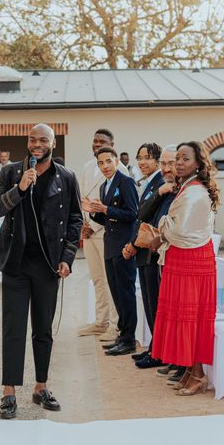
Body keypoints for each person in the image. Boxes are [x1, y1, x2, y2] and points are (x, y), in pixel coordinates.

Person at [0, 123, 82, 419]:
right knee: (13, 329)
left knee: (43, 329)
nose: (36, 144)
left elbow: (75, 219)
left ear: (53, 143)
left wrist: (67, 256)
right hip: (15, 263)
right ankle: (8, 392)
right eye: (32, 140)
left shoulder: (65, 177)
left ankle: (41, 387)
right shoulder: (11, 172)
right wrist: (20, 189)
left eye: (43, 140)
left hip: (47, 265)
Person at [149, 141, 220, 396]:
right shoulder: (186, 187)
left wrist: (163, 221)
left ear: (198, 164)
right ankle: (190, 370)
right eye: (177, 158)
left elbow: (178, 230)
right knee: (181, 316)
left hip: (192, 260)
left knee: (192, 319)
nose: (179, 162)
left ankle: (199, 375)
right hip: (183, 258)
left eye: (185, 158)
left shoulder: (194, 192)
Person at [124, 144, 178, 370]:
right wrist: (159, 193)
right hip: (149, 249)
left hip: (161, 253)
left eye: (170, 163)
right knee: (150, 302)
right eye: (164, 163)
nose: (166, 168)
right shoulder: (161, 186)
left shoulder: (177, 188)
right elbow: (143, 213)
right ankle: (156, 348)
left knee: (158, 304)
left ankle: (160, 351)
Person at [83, 147, 139, 357]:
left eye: (108, 161)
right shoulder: (105, 185)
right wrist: (94, 212)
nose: (105, 166)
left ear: (117, 161)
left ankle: (128, 339)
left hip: (124, 246)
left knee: (125, 293)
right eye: (100, 163)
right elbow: (106, 219)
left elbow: (133, 214)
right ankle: (121, 336)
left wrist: (106, 209)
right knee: (116, 293)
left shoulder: (125, 182)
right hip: (110, 244)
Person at [78, 129, 129, 343]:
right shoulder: (88, 167)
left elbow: (118, 205)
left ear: (112, 144)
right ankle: (101, 321)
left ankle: (116, 326)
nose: (97, 144)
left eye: (103, 141)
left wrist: (95, 226)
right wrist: (83, 224)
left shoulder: (121, 170)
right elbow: (82, 198)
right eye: (95, 140)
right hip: (89, 231)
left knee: (111, 281)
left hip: (108, 231)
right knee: (97, 279)